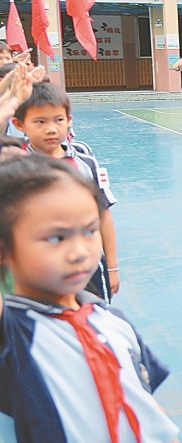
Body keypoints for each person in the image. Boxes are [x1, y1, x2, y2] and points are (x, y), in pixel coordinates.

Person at [0, 155, 182, 443]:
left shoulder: (110, 320)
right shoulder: (15, 334)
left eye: (89, 231)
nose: (79, 251)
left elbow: (142, 405)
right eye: (56, 237)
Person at [13, 82, 121, 302]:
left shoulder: (84, 162)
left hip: (88, 262)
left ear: (69, 120)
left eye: (58, 120)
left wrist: (112, 266)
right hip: (39, 263)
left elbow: (103, 214)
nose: (51, 129)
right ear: (19, 124)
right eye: (39, 122)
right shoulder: (16, 164)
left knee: (93, 315)